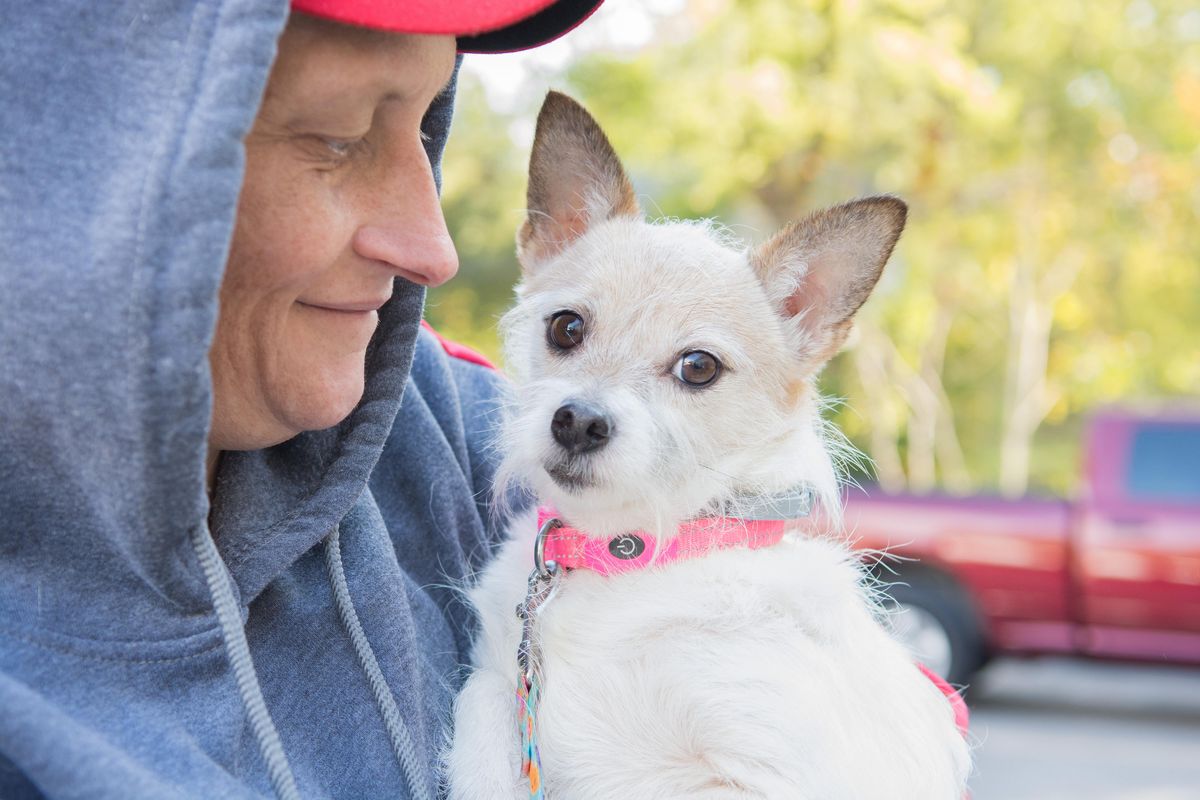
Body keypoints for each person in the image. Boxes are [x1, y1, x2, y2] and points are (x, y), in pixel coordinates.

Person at [0, 1, 602, 798]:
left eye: (424, 127)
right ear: (62, 150)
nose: (433, 247)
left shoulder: (459, 436)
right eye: (339, 137)